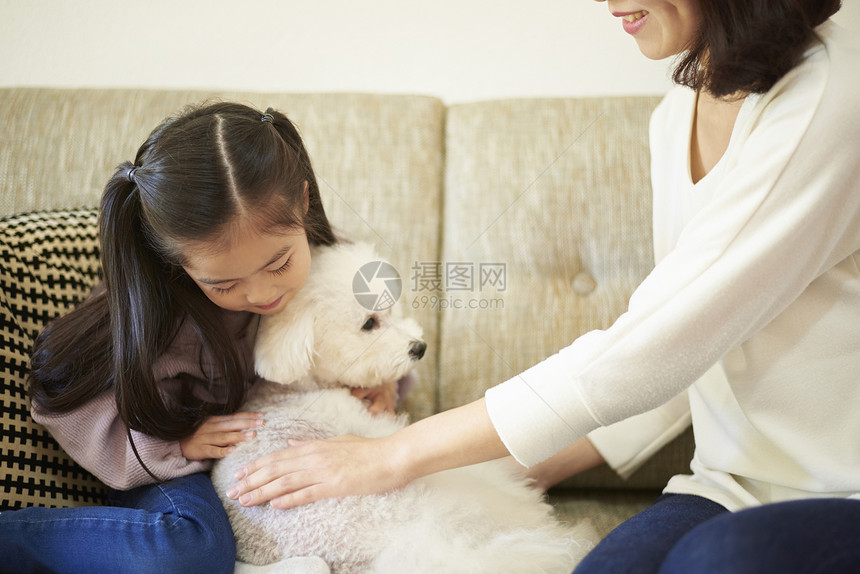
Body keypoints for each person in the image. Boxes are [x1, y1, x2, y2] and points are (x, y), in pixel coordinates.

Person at [223, 1, 860, 572]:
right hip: (728, 487)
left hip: (843, 488)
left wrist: (393, 456)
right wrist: (513, 466)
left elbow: (655, 346)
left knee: (717, 561)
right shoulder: (676, 116)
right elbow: (701, 346)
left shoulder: (834, 87)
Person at [0, 102, 394, 573]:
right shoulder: (153, 310)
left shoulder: (337, 263)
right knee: (190, 550)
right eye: (224, 285)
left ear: (303, 201)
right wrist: (174, 445)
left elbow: (380, 334)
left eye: (280, 263)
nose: (263, 293)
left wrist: (383, 382)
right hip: (179, 471)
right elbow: (61, 398)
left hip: (289, 448)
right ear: (177, 263)